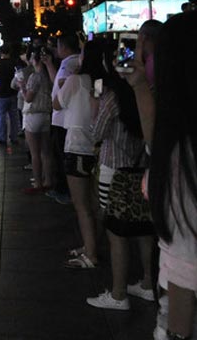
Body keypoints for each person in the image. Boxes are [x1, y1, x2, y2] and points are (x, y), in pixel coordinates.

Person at [128, 12, 197, 340]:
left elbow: (187, 268)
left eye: (152, 51)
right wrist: (140, 85)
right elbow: (158, 142)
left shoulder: (183, 162)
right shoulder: (179, 141)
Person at [86, 37, 155, 310]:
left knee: (117, 232)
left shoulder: (111, 97)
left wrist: (95, 98)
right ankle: (148, 284)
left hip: (113, 172)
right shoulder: (145, 93)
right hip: (143, 171)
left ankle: (118, 294)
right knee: (142, 229)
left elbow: (96, 133)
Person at [54, 38, 103, 269]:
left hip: (76, 145)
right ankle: (91, 245)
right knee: (93, 202)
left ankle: (91, 255)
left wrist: (64, 83)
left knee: (80, 204)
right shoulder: (100, 80)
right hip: (96, 145)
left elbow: (56, 104)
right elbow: (96, 109)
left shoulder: (75, 79)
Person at [44, 33, 80, 205]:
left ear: (64, 47)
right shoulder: (67, 63)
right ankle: (62, 189)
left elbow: (64, 88)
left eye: (58, 46)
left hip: (63, 118)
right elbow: (56, 83)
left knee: (61, 156)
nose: (56, 49)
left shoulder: (73, 63)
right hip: (60, 118)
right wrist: (49, 64)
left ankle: (64, 191)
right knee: (58, 153)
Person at [20, 45, 54, 194]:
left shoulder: (35, 76)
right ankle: (49, 181)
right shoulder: (49, 75)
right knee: (46, 152)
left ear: (34, 59)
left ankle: (38, 183)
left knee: (35, 153)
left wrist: (22, 87)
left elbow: (28, 98)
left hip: (33, 116)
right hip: (46, 114)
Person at [0, 43, 21, 147]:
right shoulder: (14, 62)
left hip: (2, 92)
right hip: (13, 92)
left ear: (1, 52)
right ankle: (14, 137)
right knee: (14, 116)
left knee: (2, 116)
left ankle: (2, 137)